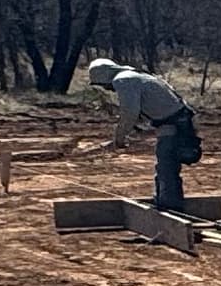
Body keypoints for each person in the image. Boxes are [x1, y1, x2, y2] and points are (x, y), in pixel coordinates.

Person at [87, 58, 204, 211]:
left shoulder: (123, 80)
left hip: (174, 127)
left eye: (102, 85)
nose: (107, 89)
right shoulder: (137, 76)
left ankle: (171, 208)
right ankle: (164, 202)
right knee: (165, 167)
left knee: (166, 167)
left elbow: (130, 113)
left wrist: (119, 138)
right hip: (180, 123)